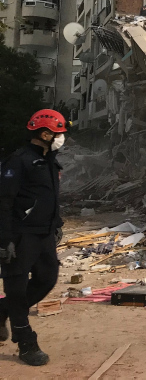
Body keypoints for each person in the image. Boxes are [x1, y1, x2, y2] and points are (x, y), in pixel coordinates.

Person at [0, 109, 69, 366]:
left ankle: (2, 311)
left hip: (44, 234)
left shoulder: (49, 160)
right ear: (45, 133)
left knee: (47, 279)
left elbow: (49, 197)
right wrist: (3, 239)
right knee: (16, 290)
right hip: (19, 237)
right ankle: (26, 342)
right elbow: (4, 201)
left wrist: (57, 223)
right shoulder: (18, 161)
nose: (63, 138)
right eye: (59, 133)